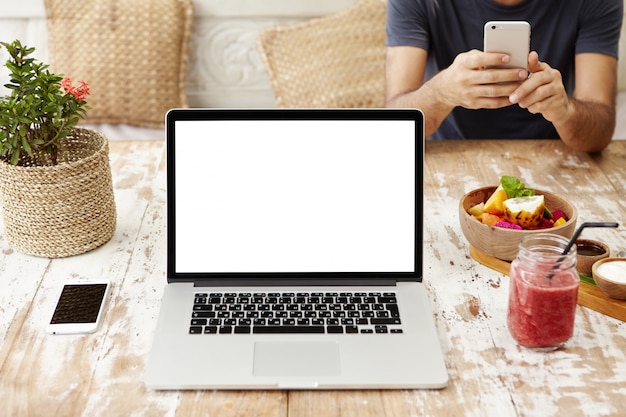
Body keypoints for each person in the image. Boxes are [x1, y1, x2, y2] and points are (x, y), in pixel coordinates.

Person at [385, 0, 623, 153]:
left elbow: (599, 132)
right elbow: (394, 125)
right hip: (448, 153)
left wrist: (565, 110)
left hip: (553, 157)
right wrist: (440, 93)